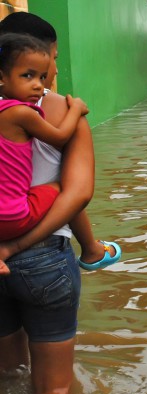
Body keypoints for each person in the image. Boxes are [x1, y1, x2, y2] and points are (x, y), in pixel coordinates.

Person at [0, 12, 117, 394]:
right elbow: (78, 194)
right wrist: (15, 247)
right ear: (50, 55)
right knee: (55, 391)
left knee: (7, 374)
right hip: (42, 257)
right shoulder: (64, 110)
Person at [0, 33, 88, 242]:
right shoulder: (21, 113)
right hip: (14, 218)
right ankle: (91, 248)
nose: (38, 85)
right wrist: (75, 109)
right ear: (2, 77)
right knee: (65, 189)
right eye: (27, 76)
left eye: (41, 77)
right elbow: (60, 137)